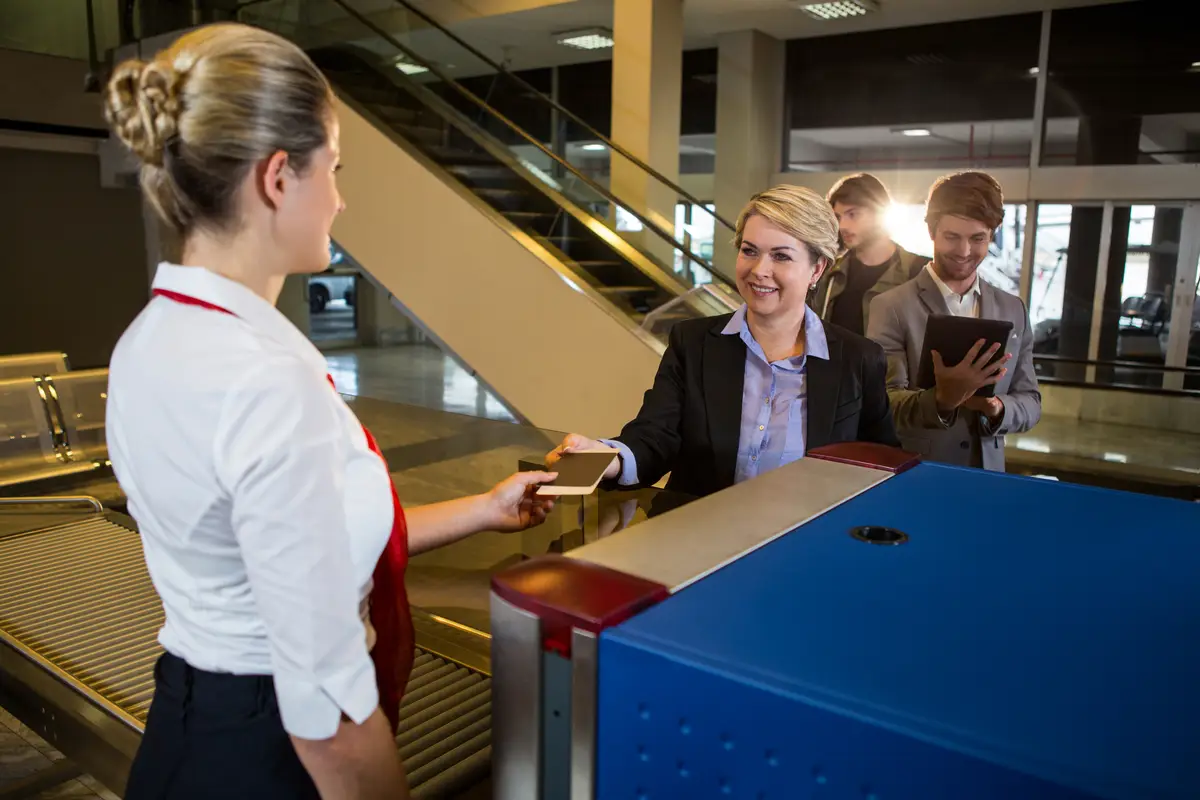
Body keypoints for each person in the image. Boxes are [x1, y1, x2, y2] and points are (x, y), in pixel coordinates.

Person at [102, 24, 556, 799]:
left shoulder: (150, 339)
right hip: (270, 754)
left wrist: (483, 509)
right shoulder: (264, 377)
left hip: (187, 723)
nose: (341, 199)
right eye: (334, 170)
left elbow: (300, 538)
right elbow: (327, 713)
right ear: (279, 177)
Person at [547, 185, 900, 498]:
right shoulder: (693, 342)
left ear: (817, 269)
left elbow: (879, 466)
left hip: (805, 551)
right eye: (749, 250)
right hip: (701, 547)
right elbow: (655, 437)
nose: (759, 269)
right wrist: (599, 458)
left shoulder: (858, 359)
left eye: (781, 256)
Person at [866, 171, 1041, 471]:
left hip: (988, 478)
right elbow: (881, 403)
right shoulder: (891, 306)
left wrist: (997, 408)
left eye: (977, 239)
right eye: (952, 237)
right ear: (932, 231)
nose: (964, 252)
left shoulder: (1013, 309)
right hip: (918, 473)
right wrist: (942, 400)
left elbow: (1031, 401)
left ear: (992, 236)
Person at [811, 172, 928, 336]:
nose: (842, 225)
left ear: (879, 213)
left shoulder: (919, 271)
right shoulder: (830, 274)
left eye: (853, 214)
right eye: (838, 217)